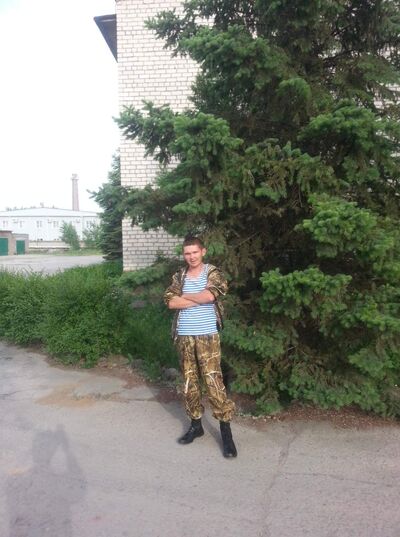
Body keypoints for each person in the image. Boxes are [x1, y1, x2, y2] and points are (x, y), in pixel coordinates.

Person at [164, 236, 237, 458]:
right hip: (184, 336)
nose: (191, 257)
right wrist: (198, 297)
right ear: (184, 255)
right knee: (189, 383)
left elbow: (210, 295)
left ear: (203, 251)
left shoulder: (213, 273)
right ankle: (196, 425)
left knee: (214, 382)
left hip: (207, 336)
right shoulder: (179, 276)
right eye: (187, 253)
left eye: (195, 252)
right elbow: (170, 301)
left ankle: (226, 433)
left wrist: (186, 296)